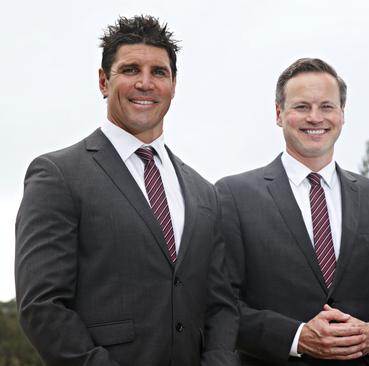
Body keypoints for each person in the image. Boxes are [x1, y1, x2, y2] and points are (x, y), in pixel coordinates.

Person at [15, 15, 238, 365]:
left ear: (174, 85)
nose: (145, 84)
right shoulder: (57, 175)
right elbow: (43, 306)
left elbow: (221, 305)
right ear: (104, 81)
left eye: (159, 73)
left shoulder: (204, 192)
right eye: (131, 70)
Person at [216, 58, 369, 365]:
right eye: (301, 107)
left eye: (326, 106)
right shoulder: (233, 195)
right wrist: (297, 337)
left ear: (341, 114)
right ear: (279, 114)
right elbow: (220, 304)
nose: (315, 117)